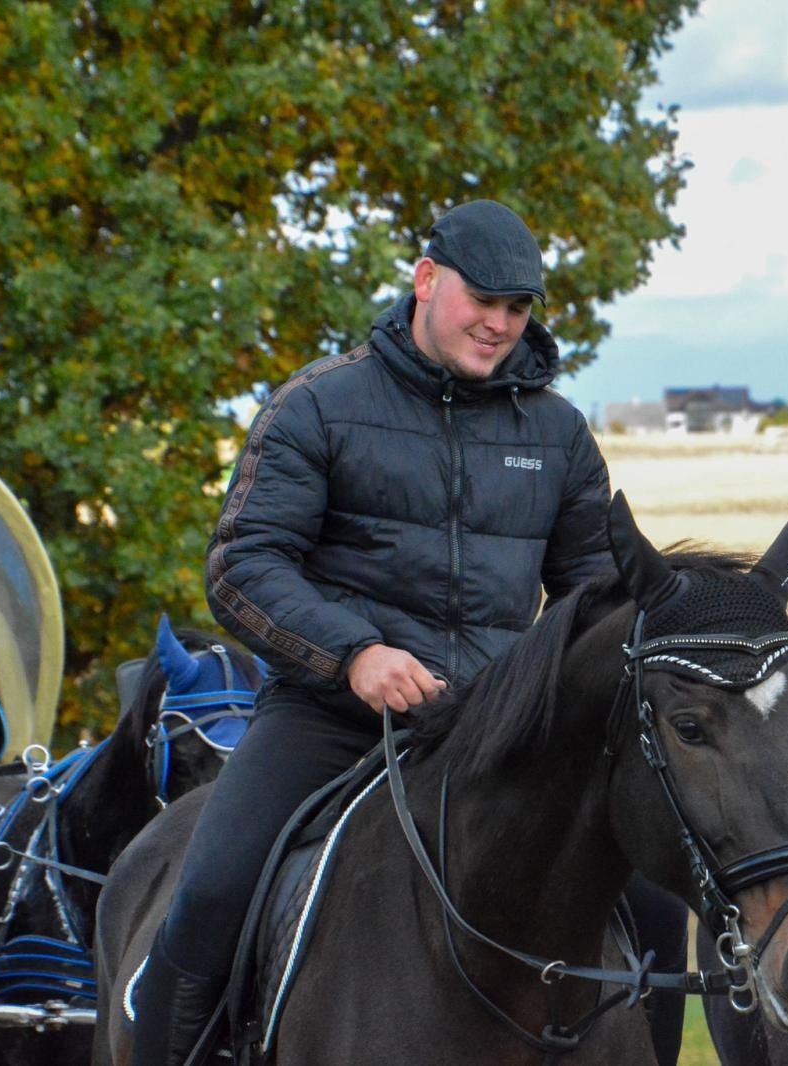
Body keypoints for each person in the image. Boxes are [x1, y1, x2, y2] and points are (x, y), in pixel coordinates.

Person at [129, 200, 689, 1066]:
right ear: (427, 281)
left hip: (496, 732)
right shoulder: (317, 405)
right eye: (484, 301)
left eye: (519, 308)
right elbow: (242, 567)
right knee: (209, 896)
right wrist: (354, 654)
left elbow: (590, 598)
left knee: (653, 900)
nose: (500, 325)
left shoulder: (558, 434)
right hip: (329, 717)